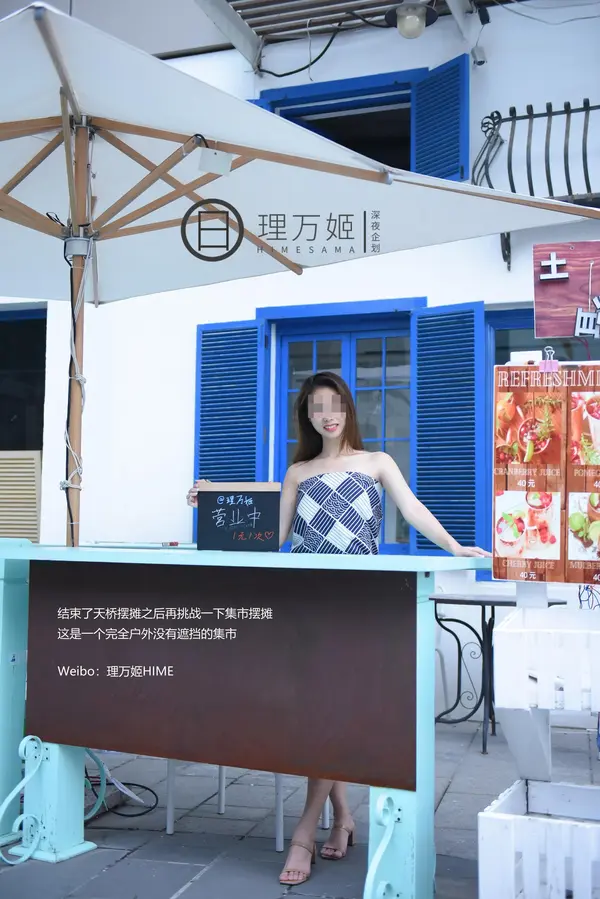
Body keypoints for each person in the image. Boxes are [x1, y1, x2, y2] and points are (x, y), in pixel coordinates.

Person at [187, 370, 490, 886]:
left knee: (332, 711)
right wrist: (215, 502)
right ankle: (344, 817)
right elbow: (271, 537)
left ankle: (305, 831)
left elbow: (412, 509)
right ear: (306, 416)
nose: (327, 414)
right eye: (316, 406)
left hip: (358, 606)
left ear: (348, 409)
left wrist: (455, 546)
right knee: (322, 715)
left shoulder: (377, 463)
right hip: (308, 606)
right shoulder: (298, 472)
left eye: (335, 404)